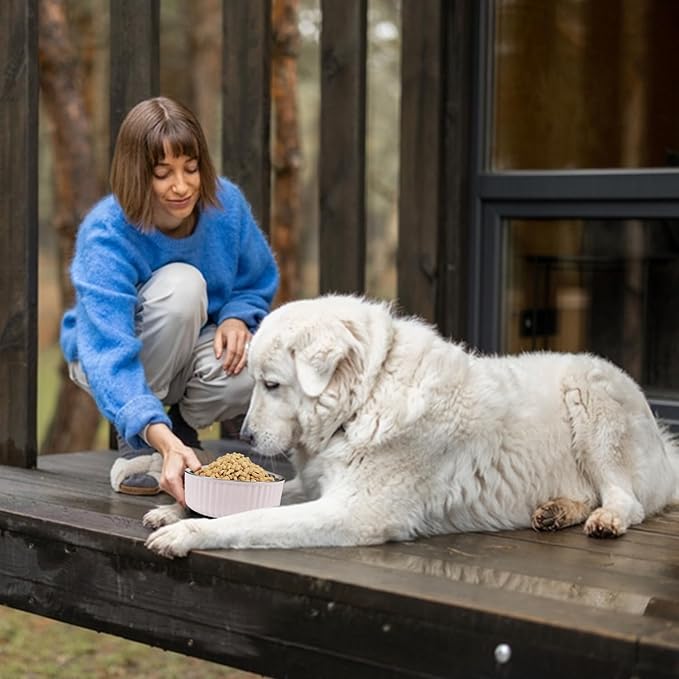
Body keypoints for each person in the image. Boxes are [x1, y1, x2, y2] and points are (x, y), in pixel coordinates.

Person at [60, 96, 279, 506]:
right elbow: (109, 349)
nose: (181, 186)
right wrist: (151, 430)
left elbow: (255, 281)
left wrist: (237, 318)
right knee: (183, 285)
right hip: (106, 355)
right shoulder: (106, 234)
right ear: (137, 175)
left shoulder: (226, 207)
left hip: (189, 344)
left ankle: (182, 429)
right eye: (163, 174)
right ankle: (140, 440)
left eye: (191, 169)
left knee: (253, 366)